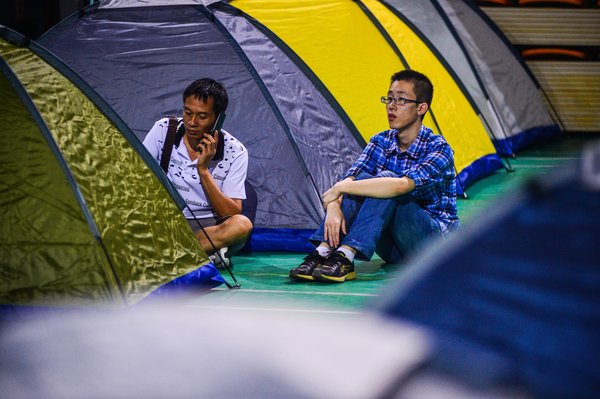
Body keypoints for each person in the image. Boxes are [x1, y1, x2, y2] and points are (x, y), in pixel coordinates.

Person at [289, 70, 459, 283]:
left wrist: (339, 190)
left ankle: (346, 254)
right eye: (389, 98)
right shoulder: (380, 141)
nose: (391, 105)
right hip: (393, 250)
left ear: (421, 108)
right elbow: (350, 180)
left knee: (387, 181)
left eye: (401, 100)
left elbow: (400, 186)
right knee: (363, 180)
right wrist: (334, 206)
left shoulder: (439, 148)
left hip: (432, 246)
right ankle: (324, 251)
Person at [143, 78, 252, 265]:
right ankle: (200, 256)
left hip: (209, 229)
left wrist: (203, 169)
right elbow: (138, 177)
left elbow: (231, 213)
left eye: (202, 116)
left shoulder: (235, 151)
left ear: (218, 119)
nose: (192, 122)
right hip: (165, 221)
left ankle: (171, 254)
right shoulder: (164, 130)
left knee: (242, 225)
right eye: (187, 112)